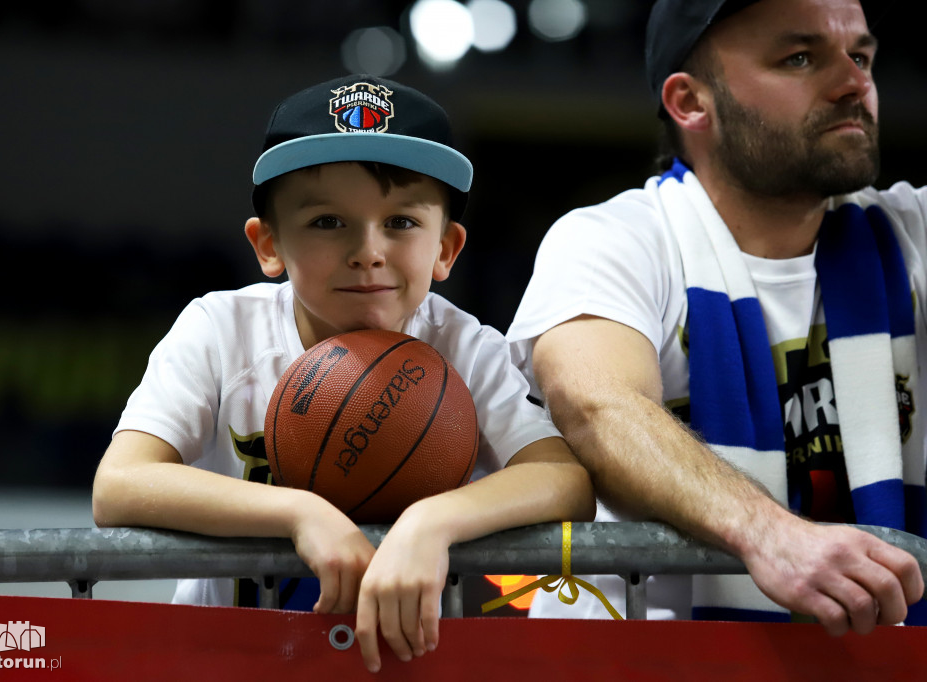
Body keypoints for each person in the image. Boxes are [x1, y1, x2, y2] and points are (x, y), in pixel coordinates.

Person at [92, 74, 595, 673]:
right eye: (328, 222)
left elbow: (565, 481)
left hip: (403, 663)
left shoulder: (464, 347)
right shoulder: (221, 328)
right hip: (228, 660)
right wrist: (301, 513)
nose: (368, 250)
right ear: (269, 244)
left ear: (446, 250)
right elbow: (120, 484)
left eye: (402, 222)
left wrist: (430, 523)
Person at [507, 0, 926, 633]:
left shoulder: (911, 232)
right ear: (690, 102)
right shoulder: (614, 238)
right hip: (639, 665)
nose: (853, 84)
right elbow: (601, 408)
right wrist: (768, 534)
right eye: (800, 57)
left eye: (861, 56)